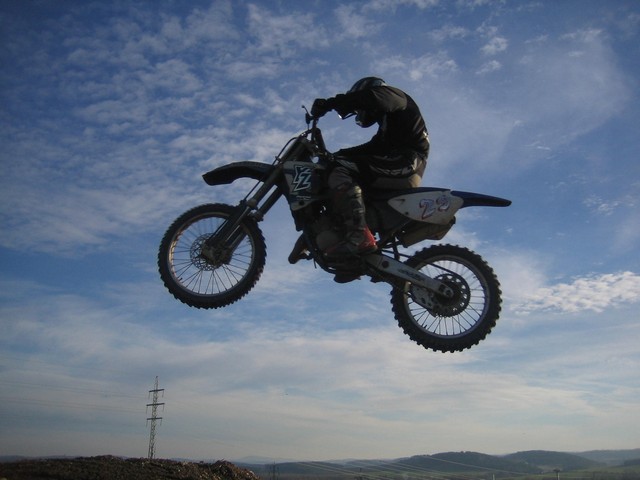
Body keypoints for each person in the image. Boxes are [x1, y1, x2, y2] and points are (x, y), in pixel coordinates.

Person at [311, 76, 430, 258]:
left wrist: (331, 103)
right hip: (399, 165)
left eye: (358, 108)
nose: (359, 112)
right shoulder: (388, 127)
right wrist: (336, 155)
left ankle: (359, 236)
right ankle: (351, 249)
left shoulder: (397, 97)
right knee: (338, 168)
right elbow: (369, 149)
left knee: (339, 169)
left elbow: (372, 98)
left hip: (407, 164)